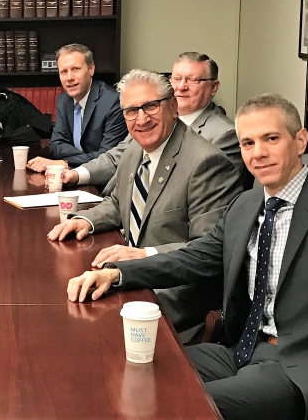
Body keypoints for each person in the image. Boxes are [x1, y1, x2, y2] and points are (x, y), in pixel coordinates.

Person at [67, 94, 308, 420]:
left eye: (271, 139)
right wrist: (118, 274)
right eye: (248, 143)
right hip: (238, 349)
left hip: (298, 364)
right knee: (124, 368)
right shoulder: (247, 203)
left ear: (300, 141)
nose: (258, 153)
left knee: (172, 403)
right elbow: (195, 257)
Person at [48, 69, 241, 342]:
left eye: (151, 106)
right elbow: (118, 201)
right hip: (135, 281)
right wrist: (86, 220)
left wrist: (144, 255)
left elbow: (208, 250)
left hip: (174, 295)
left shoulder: (205, 164)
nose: (141, 119)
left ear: (173, 106)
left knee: (83, 332)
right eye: (131, 110)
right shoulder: (136, 148)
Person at [66, 52, 241, 190]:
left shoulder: (225, 135)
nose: (181, 87)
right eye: (177, 79)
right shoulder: (152, 119)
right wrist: (76, 175)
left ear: (214, 87)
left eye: (193, 80)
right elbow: (117, 156)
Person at [26, 43, 128, 172]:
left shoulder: (113, 102)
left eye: (76, 69)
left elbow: (107, 157)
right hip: (71, 174)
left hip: (104, 181)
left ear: (91, 69)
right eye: (64, 71)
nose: (69, 78)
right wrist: (84, 158)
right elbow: (56, 145)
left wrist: (65, 162)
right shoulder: (63, 101)